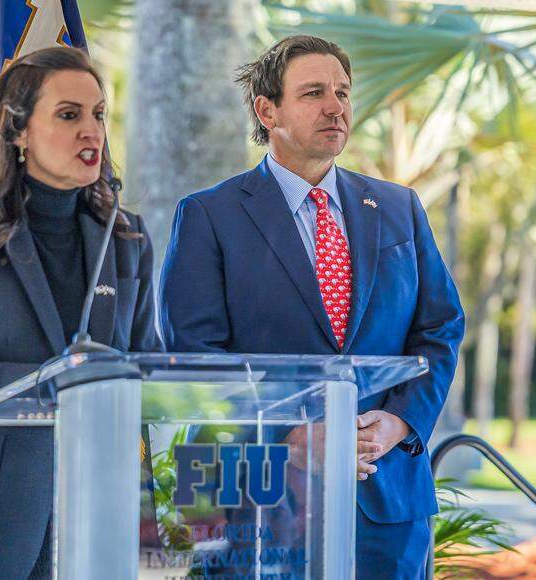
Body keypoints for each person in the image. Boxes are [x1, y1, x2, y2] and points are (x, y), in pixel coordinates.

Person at [159, 35, 465, 578]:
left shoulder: (399, 208)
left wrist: (399, 422)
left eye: (343, 93)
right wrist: (290, 440)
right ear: (266, 109)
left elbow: (440, 329)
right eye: (314, 92)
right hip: (259, 506)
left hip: (385, 500)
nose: (335, 106)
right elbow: (197, 359)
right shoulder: (210, 215)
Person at [0, 46, 159, 579]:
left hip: (94, 530)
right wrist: (59, 383)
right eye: (69, 115)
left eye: (99, 114)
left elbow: (147, 371)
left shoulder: (126, 239)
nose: (92, 131)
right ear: (18, 132)